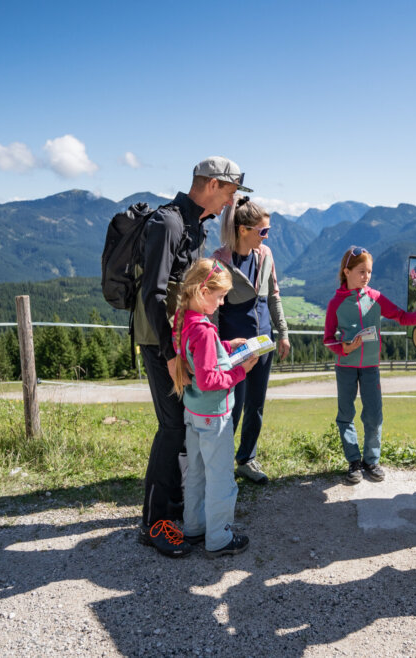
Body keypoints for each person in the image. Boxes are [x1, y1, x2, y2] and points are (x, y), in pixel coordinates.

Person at [137, 156, 251, 557]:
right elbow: (153, 292)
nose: (231, 202)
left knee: (182, 431)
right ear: (212, 184)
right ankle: (154, 523)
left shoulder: (194, 225)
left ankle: (185, 517)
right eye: (230, 192)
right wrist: (171, 354)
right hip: (162, 342)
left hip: (179, 341)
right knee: (172, 428)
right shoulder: (169, 223)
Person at [323, 246, 416, 484]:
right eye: (361, 271)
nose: (366, 276)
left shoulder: (376, 298)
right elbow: (328, 339)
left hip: (371, 367)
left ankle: (371, 461)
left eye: (369, 272)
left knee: (374, 416)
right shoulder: (335, 303)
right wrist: (344, 348)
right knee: (345, 415)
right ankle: (354, 462)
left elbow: (401, 316)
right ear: (346, 272)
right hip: (345, 367)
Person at [171, 258, 258, 557]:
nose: (222, 303)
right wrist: (241, 371)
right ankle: (219, 538)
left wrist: (225, 346)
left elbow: (199, 357)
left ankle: (194, 527)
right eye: (220, 297)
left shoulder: (183, 318)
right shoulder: (205, 331)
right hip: (215, 415)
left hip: (193, 412)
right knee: (220, 478)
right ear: (202, 290)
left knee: (196, 473)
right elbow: (210, 380)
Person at [212, 197, 291, 485]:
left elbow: (273, 296)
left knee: (255, 404)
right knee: (232, 406)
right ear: (243, 230)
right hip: (234, 348)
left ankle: (246, 459)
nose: (266, 236)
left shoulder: (266, 255)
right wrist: (215, 347)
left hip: (263, 343)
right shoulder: (220, 261)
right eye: (263, 231)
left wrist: (283, 333)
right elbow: (213, 310)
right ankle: (219, 463)